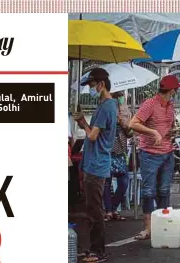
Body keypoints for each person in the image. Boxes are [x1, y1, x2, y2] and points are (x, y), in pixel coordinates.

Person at [128, 75, 180, 240]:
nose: (177, 91)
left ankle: (163, 225)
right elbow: (133, 124)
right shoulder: (149, 104)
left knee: (164, 191)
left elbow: (169, 126)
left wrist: (173, 131)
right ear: (172, 90)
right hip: (150, 154)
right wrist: (153, 132)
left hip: (168, 153)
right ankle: (148, 228)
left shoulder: (171, 105)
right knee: (149, 191)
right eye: (177, 88)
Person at [73, 67, 118, 263]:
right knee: (91, 208)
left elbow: (92, 135)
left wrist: (82, 122)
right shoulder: (105, 105)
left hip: (97, 164)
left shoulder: (107, 106)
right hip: (94, 163)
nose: (90, 89)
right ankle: (92, 249)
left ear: (101, 85)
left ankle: (98, 252)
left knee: (95, 210)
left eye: (92, 85)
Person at [103, 91, 131, 222]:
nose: (121, 102)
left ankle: (114, 208)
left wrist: (123, 123)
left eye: (122, 99)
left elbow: (130, 133)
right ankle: (109, 210)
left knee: (124, 183)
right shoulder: (106, 111)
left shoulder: (125, 114)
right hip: (107, 152)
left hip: (121, 153)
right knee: (106, 183)